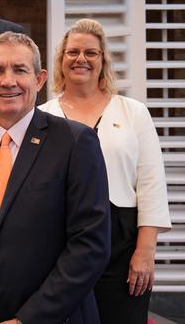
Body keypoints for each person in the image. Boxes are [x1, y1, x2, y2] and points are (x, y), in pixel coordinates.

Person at [0, 32, 111, 324]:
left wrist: (27, 320)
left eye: (20, 70)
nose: (8, 81)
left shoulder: (76, 143)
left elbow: (90, 245)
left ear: (39, 79)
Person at [39, 18, 172, 324]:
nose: (81, 59)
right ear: (61, 60)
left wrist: (145, 251)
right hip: (59, 242)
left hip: (122, 243)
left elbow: (151, 183)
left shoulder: (132, 111)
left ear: (103, 61)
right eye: (72, 52)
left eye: (91, 53)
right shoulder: (43, 116)